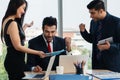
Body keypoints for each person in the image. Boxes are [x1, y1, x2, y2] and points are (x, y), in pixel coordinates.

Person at [1, 0, 46, 80]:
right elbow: (18, 46)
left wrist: (25, 27)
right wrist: (38, 52)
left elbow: (14, 37)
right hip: (15, 62)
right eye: (23, 8)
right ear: (16, 6)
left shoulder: (6, 20)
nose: (23, 11)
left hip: (12, 60)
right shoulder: (13, 23)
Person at [79, 0, 120, 72]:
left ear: (101, 11)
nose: (90, 16)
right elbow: (92, 39)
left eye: (93, 13)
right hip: (96, 65)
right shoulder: (93, 22)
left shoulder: (117, 22)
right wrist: (83, 31)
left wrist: (110, 47)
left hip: (112, 66)